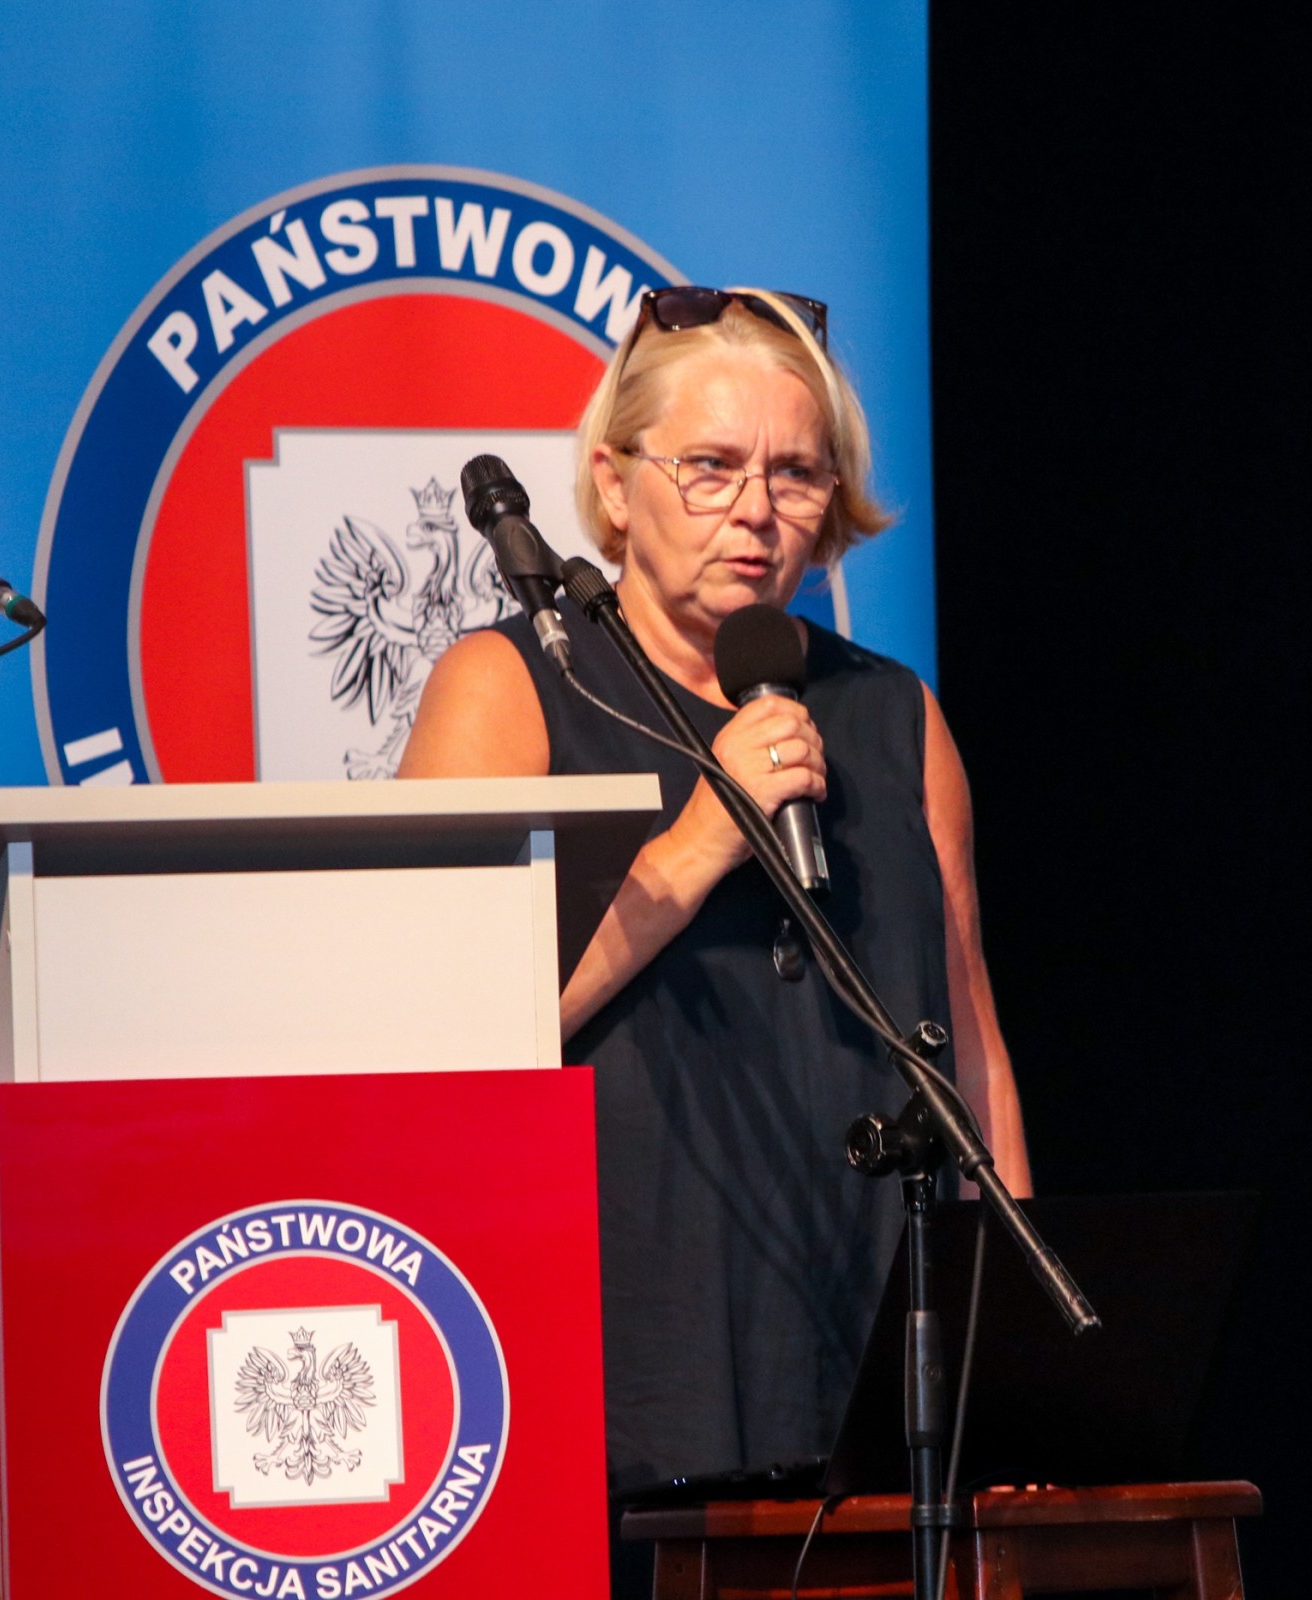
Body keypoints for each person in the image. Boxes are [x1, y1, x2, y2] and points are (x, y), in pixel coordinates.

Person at [399, 285, 1030, 1497]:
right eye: (710, 467)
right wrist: (692, 845)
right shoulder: (511, 686)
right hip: (620, 1347)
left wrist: (1015, 1368)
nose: (755, 511)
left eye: (796, 473)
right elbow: (431, 1046)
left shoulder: (895, 714)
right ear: (613, 482)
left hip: (867, 1342)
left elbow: (974, 1056)